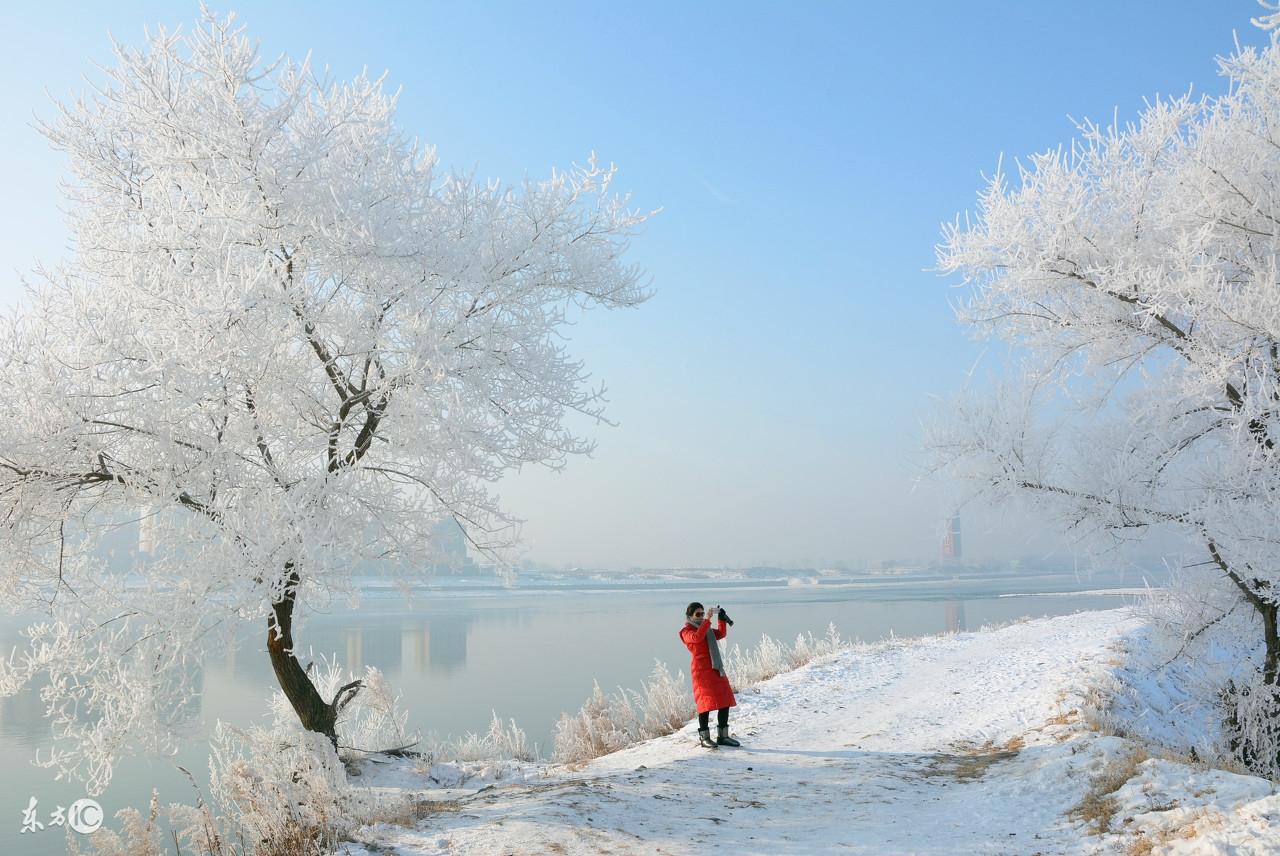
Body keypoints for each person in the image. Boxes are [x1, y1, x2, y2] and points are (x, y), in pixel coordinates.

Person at [680, 601, 740, 748]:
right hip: (701, 671)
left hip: (715, 667)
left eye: (702, 613)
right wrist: (707, 620)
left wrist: (721, 619)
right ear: (689, 616)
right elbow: (696, 638)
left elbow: (721, 634)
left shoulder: (705, 627)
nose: (701, 616)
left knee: (724, 700)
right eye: (698, 614)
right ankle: (704, 738)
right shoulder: (686, 631)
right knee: (705, 704)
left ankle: (723, 736)